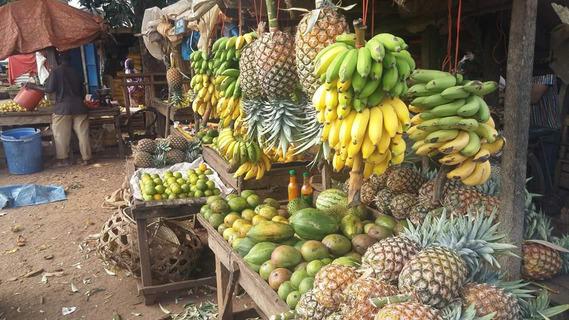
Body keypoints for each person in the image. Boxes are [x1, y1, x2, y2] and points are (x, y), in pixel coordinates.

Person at [45, 52, 91, 167]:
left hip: (62, 109)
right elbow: (83, 92)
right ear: (70, 60)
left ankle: (63, 159)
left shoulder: (55, 71)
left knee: (61, 135)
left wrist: (34, 87)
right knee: (83, 134)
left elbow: (49, 89)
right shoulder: (77, 71)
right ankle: (86, 159)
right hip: (79, 107)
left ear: (60, 60)